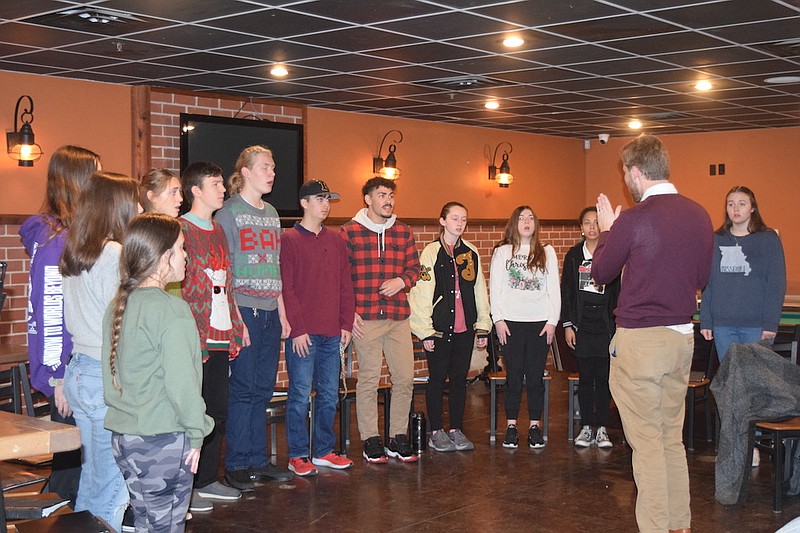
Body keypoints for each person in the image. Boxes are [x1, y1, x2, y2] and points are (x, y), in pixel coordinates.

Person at [592, 134, 713, 533]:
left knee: (645, 445)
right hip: (681, 339)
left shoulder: (634, 218)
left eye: (626, 171)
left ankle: (657, 528)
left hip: (642, 341)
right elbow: (701, 278)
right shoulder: (698, 214)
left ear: (637, 172)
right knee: (669, 439)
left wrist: (609, 230)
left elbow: (601, 272)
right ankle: (679, 525)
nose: (626, 178)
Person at [103, 214, 214, 533]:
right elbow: (183, 385)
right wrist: (197, 432)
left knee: (146, 524)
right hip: (162, 440)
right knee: (165, 527)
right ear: (163, 258)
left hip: (125, 438)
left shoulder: (118, 305)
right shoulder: (172, 310)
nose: (187, 256)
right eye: (181, 249)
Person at [19, 145, 100, 507]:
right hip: (66, 367)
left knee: (75, 460)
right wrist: (57, 378)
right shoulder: (55, 240)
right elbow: (50, 311)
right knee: (70, 466)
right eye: (95, 175)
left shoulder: (64, 233)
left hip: (71, 364)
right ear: (78, 181)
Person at [60, 172, 140, 532]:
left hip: (79, 370)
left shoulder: (76, 252)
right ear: (117, 207)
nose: (140, 207)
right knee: (113, 482)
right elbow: (121, 323)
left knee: (94, 475)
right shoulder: (115, 254)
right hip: (105, 373)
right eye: (134, 201)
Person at [214, 146, 294, 489]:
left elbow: (274, 266)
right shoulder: (228, 213)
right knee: (243, 388)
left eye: (273, 168)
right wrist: (237, 318)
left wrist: (283, 313)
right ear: (245, 172)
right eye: (265, 167)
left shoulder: (272, 212)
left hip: (270, 312)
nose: (272, 173)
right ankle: (236, 463)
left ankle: (258, 460)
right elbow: (225, 271)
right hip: (244, 309)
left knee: (262, 388)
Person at [179, 162, 245, 511]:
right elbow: (181, 281)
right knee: (193, 409)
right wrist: (211, 279)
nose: (223, 189)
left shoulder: (218, 228)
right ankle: (184, 485)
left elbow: (227, 277)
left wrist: (236, 321)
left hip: (221, 331)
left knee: (217, 410)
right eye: (216, 184)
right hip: (195, 332)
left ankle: (206, 479)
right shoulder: (181, 229)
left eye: (222, 184)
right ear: (196, 191)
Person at [340, 177, 420, 463]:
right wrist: (348, 313)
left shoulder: (403, 232)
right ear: (368, 199)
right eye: (382, 195)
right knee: (369, 379)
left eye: (391, 195)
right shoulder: (349, 232)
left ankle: (397, 436)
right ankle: (370, 438)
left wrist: (401, 280)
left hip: (398, 317)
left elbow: (416, 269)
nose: (388, 200)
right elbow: (341, 278)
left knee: (404, 378)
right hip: (366, 318)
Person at [280, 179, 355, 475]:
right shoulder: (289, 240)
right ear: (304, 203)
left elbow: (345, 285)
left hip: (332, 331)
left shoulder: (337, 240)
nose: (325, 204)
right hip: (304, 333)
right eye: (320, 199)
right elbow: (287, 288)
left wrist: (346, 323)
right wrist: (297, 329)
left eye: (328, 199)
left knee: (328, 394)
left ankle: (323, 450)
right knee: (299, 394)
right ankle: (298, 454)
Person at [409, 201, 491, 452]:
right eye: (454, 218)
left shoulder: (471, 253)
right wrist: (425, 331)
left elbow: (479, 291)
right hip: (439, 330)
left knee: (458, 380)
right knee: (436, 380)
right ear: (443, 221)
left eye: (463, 219)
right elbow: (421, 292)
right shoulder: (431, 253)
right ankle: (436, 431)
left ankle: (456, 428)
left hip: (464, 329)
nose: (459, 223)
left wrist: (483, 326)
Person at [490, 205, 560, 449]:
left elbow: (554, 290)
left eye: (531, 217)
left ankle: (534, 426)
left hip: (539, 324)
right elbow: (496, 289)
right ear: (514, 223)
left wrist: (552, 321)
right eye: (521, 218)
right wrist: (498, 319)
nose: (527, 221)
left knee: (535, 378)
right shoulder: (503, 252)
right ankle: (511, 426)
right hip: (511, 323)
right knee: (513, 377)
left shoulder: (546, 252)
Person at [700, 185, 786, 361]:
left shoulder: (768, 239)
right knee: (731, 380)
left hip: (756, 325)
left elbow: (776, 284)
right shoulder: (716, 240)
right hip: (723, 325)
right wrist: (706, 321)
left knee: (754, 383)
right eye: (730, 204)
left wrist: (770, 323)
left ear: (752, 208)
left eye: (741, 203)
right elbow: (709, 283)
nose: (736, 209)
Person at [560, 207, 620, 449]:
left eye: (596, 222)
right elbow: (567, 291)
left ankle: (603, 429)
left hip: (606, 325)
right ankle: (586, 427)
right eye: (587, 223)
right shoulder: (574, 255)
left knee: (604, 379)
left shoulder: (612, 253)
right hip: (582, 325)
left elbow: (618, 290)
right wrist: (567, 325)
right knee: (585, 379)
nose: (592, 227)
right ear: (581, 228)